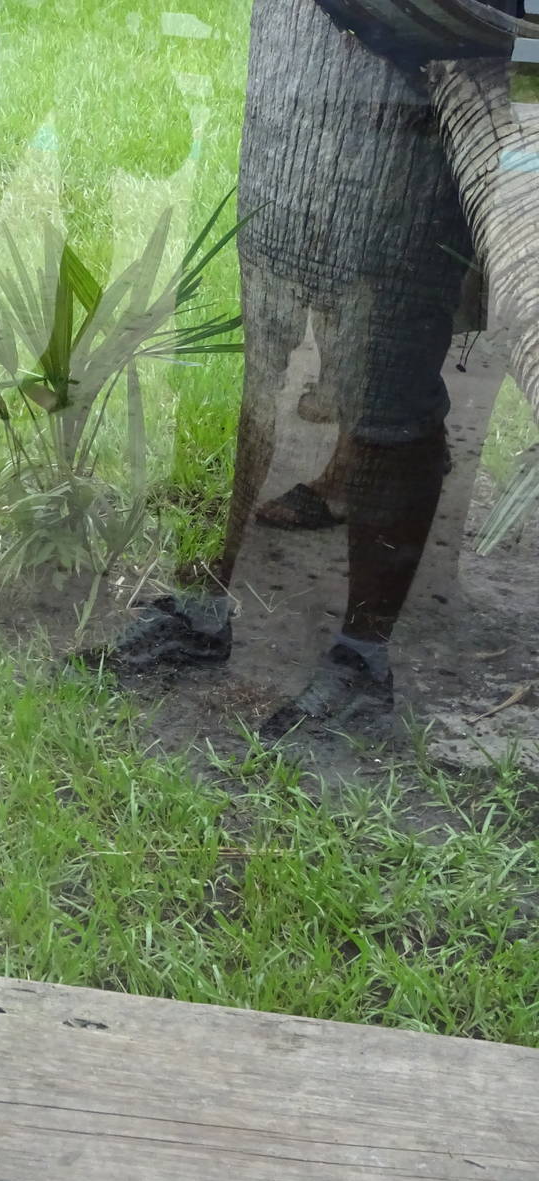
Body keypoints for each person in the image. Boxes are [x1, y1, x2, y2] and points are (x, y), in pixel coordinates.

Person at [95, 0, 525, 738]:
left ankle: (362, 657)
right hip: (283, 116)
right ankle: (204, 606)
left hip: (413, 139)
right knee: (257, 371)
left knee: (388, 395)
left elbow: (516, 35)